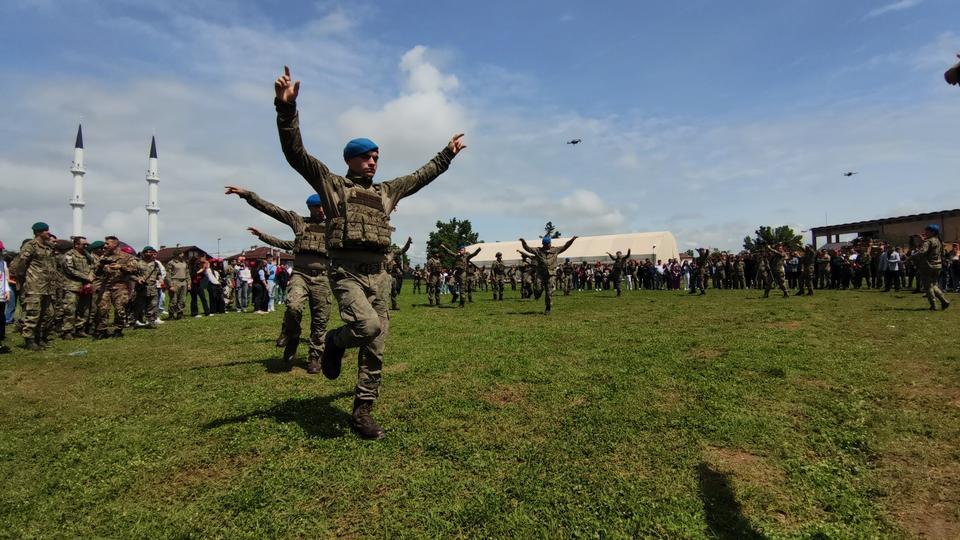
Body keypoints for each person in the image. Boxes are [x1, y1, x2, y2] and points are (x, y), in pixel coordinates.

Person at [274, 65, 466, 439]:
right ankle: (332, 341)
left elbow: (420, 175)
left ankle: (362, 411)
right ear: (350, 160)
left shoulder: (386, 192)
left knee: (376, 345)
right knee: (367, 326)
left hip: (380, 274)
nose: (373, 162)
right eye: (366, 157)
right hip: (346, 272)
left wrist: (447, 154)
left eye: (377, 157)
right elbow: (296, 154)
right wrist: (286, 111)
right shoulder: (332, 185)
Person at [228, 187, 332, 373]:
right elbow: (273, 210)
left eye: (323, 206)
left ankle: (315, 356)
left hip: (323, 278)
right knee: (293, 307)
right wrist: (248, 196)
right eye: (317, 207)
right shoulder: (298, 222)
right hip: (300, 274)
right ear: (310, 208)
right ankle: (292, 333)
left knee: (320, 320)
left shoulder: (334, 226)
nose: (321, 210)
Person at [9, 223, 57, 350]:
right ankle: (29, 339)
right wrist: (22, 279)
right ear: (38, 232)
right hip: (34, 285)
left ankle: (39, 337)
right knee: (33, 313)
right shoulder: (30, 246)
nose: (48, 232)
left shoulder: (48, 247)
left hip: (47, 286)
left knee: (46, 313)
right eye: (46, 230)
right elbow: (21, 264)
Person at [91, 236, 140, 338]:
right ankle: (102, 330)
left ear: (115, 244)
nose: (105, 246)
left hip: (120, 286)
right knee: (102, 308)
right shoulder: (103, 257)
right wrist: (100, 266)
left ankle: (118, 329)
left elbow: (134, 269)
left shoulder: (127, 257)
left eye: (107, 244)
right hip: (105, 286)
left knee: (120, 309)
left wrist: (121, 267)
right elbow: (96, 272)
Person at [518, 235, 578, 314]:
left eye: (548, 244)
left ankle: (548, 307)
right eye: (545, 245)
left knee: (549, 291)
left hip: (551, 274)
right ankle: (537, 294)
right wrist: (523, 242)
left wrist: (572, 240)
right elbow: (528, 249)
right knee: (538, 287)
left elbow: (565, 246)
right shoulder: (538, 250)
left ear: (550, 243)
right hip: (540, 273)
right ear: (543, 244)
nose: (547, 246)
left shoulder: (555, 250)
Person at [60, 236, 95, 338]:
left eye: (87, 244)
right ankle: (67, 331)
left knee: (84, 309)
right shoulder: (69, 255)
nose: (86, 246)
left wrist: (91, 275)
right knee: (70, 310)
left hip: (85, 286)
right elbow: (69, 270)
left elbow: (92, 266)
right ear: (76, 244)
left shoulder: (87, 255)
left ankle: (80, 329)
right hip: (72, 286)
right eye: (84, 244)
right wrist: (87, 277)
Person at [911, 224, 950, 311]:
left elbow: (922, 252)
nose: (925, 232)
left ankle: (933, 305)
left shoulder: (928, 241)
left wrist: (911, 257)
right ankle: (944, 301)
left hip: (928, 266)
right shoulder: (939, 241)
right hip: (937, 265)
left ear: (932, 232)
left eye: (927, 231)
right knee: (934, 285)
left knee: (928, 287)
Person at [134, 247, 161, 328]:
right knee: (139, 306)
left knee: (153, 305)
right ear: (143, 253)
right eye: (147, 252)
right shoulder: (138, 263)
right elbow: (132, 274)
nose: (149, 254)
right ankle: (134, 321)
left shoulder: (155, 264)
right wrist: (138, 279)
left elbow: (158, 273)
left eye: (151, 252)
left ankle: (151, 322)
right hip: (141, 288)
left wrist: (160, 278)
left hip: (153, 287)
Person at [387, 237, 412, 311]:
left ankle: (394, 305)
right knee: (386, 292)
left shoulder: (392, 252)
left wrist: (408, 243)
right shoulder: (381, 252)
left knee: (394, 292)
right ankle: (385, 306)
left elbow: (403, 250)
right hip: (384, 275)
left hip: (393, 276)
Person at [165, 250, 189, 319]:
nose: (183, 255)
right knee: (174, 299)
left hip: (183, 282)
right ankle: (171, 315)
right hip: (175, 281)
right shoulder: (171, 263)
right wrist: (170, 285)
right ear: (177, 254)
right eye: (182, 253)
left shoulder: (184, 263)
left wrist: (189, 283)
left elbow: (187, 273)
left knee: (182, 299)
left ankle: (180, 314)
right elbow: (168, 275)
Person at [0, 241, 10, 354]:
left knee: (1, 318)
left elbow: (4, 279)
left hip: (1, 295)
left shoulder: (3, 263)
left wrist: (7, 290)